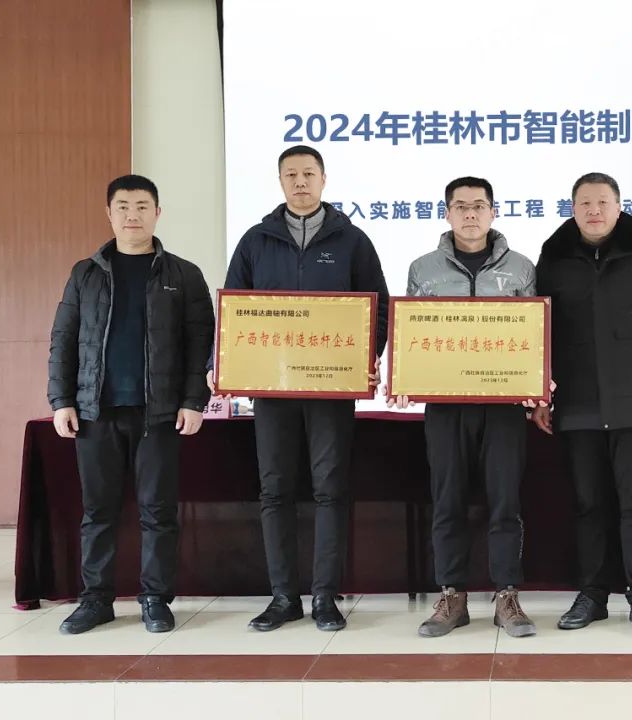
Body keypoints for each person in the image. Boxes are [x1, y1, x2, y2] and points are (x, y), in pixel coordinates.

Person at [211, 145, 389, 632]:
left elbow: (378, 310)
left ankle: (326, 597)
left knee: (330, 490)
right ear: (280, 182)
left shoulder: (352, 240)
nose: (300, 182)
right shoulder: (255, 241)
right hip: (272, 389)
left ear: (324, 179)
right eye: (291, 175)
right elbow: (233, 313)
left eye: (309, 173)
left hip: (332, 391)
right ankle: (284, 597)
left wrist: (364, 359)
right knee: (275, 491)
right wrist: (218, 363)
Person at [48, 174, 214, 634]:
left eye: (142, 206)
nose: (132, 215)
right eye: (122, 206)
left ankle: (155, 599)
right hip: (95, 411)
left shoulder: (183, 274)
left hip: (158, 414)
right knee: (98, 511)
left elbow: (201, 343)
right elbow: (63, 338)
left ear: (157, 213)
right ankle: (95, 600)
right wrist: (61, 400)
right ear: (109, 213)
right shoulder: (85, 273)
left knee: (158, 511)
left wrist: (194, 400)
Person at [532, 172, 632, 636]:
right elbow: (537, 329)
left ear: (619, 207)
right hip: (577, 404)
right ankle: (593, 594)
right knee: (588, 505)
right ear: (573, 209)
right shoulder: (554, 257)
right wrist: (539, 392)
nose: (594, 210)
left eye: (603, 202)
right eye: (585, 203)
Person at [387, 176, 539, 638]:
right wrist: (404, 378)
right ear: (447, 213)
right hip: (446, 404)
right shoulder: (424, 268)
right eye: (460, 206)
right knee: (447, 500)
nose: (470, 214)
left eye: (478, 206)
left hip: (504, 405)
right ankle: (452, 596)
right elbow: (412, 334)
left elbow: (535, 333)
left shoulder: (521, 268)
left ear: (494, 212)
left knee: (505, 501)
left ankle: (507, 595)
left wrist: (536, 380)